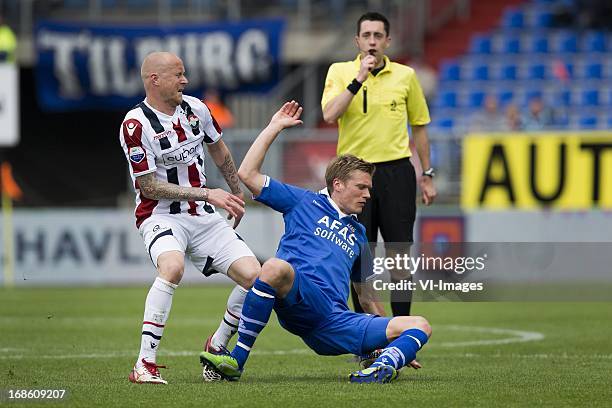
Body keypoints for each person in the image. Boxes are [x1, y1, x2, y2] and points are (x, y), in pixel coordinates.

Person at [199, 101, 432, 384]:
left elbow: (367, 296)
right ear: (338, 185)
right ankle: (237, 359)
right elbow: (248, 174)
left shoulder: (359, 234)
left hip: (336, 322)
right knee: (273, 268)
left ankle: (381, 367)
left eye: (369, 188)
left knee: (420, 325)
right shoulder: (303, 201)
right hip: (300, 298)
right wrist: (274, 127)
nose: (368, 195)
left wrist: (393, 342)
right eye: (361, 187)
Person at [119, 51, 261, 384]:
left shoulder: (196, 109)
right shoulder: (135, 124)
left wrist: (235, 191)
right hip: (159, 215)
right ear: (155, 80)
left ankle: (218, 344)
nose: (185, 80)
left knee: (258, 280)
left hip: (202, 215)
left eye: (185, 74)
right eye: (178, 74)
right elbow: (148, 185)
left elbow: (219, 148)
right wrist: (208, 192)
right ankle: (144, 364)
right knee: (172, 267)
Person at [321, 12, 436, 317]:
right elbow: (330, 115)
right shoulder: (339, 71)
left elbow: (420, 126)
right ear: (357, 40)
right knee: (361, 256)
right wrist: (358, 78)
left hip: (397, 172)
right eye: (366, 35)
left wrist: (427, 174)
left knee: (399, 256)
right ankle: (367, 339)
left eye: (378, 36)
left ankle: (401, 333)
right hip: (353, 173)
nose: (372, 41)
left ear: (388, 40)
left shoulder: (406, 76)